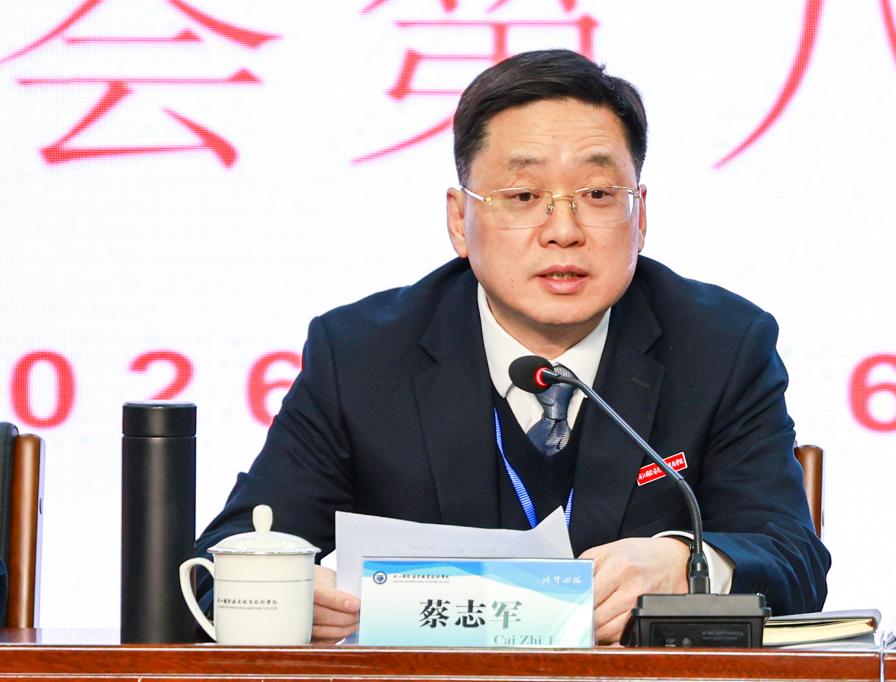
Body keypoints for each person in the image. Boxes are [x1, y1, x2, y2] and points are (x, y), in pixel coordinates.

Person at [194, 49, 830, 644]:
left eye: (598, 195)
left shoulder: (721, 347)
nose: (563, 230)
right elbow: (218, 564)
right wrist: (278, 593)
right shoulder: (362, 355)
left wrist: (685, 563)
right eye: (524, 197)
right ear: (459, 220)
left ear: (640, 215)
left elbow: (794, 560)